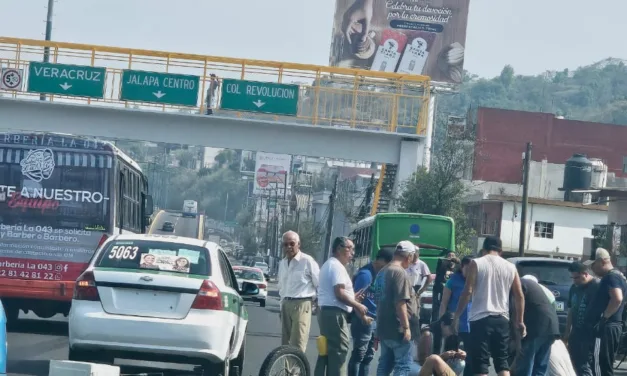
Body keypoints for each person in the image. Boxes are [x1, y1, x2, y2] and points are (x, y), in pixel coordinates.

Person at [453, 236, 525, 376]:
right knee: (502, 361)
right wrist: (520, 321)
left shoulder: (477, 263)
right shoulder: (511, 267)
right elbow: (519, 295)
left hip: (480, 318)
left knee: (481, 363)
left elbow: (468, 291)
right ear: (501, 251)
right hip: (502, 319)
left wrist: (457, 316)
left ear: (483, 250)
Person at [316, 237, 369, 376]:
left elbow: (337, 294)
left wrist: (353, 298)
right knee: (339, 351)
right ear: (339, 248)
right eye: (349, 248)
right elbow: (339, 293)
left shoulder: (330, 264)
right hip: (335, 314)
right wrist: (357, 304)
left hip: (327, 312)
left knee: (327, 351)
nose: (352, 252)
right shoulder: (336, 266)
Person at [373, 240, 420, 376]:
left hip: (384, 328)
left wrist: (377, 331)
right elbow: (400, 303)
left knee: (384, 365)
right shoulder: (400, 273)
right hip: (397, 329)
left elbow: (379, 302)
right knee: (403, 366)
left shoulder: (382, 272)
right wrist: (406, 327)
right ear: (409, 256)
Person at [348, 247, 394, 376]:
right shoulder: (365, 275)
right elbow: (357, 301)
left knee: (368, 357)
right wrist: (362, 317)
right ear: (380, 260)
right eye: (388, 264)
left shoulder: (380, 275)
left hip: (375, 320)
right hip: (363, 320)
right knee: (359, 355)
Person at [584, 247, 627, 376]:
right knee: (605, 364)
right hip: (612, 326)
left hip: (605, 327)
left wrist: (603, 318)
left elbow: (617, 298)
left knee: (599, 365)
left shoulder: (611, 277)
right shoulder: (620, 277)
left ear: (602, 261)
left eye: (593, 264)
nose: (592, 268)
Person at [277, 230, 320, 352]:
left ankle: (296, 371)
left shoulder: (307, 261)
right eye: (285, 244)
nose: (289, 247)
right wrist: (281, 306)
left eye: (292, 243)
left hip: (302, 304)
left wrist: (317, 304)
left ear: (298, 244)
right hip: (286, 304)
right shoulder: (283, 263)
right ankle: (286, 371)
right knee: (285, 344)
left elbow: (319, 284)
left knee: (298, 343)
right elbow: (282, 287)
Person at [511, 274, 560, 376]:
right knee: (540, 365)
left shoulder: (517, 285)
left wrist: (517, 342)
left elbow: (514, 313)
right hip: (552, 327)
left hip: (536, 328)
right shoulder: (536, 287)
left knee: (526, 364)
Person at [564, 261, 599, 376]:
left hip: (591, 333)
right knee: (575, 362)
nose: (574, 281)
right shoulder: (574, 288)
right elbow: (570, 311)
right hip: (576, 332)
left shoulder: (597, 286)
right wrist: (567, 332)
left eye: (577, 278)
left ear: (585, 273)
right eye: (572, 278)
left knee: (586, 364)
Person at [438, 257, 472, 376]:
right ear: (462, 266)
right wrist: (443, 323)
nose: (470, 271)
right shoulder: (453, 281)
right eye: (468, 268)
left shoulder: (477, 281)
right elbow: (444, 303)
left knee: (470, 360)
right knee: (451, 358)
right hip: (454, 325)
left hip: (471, 326)